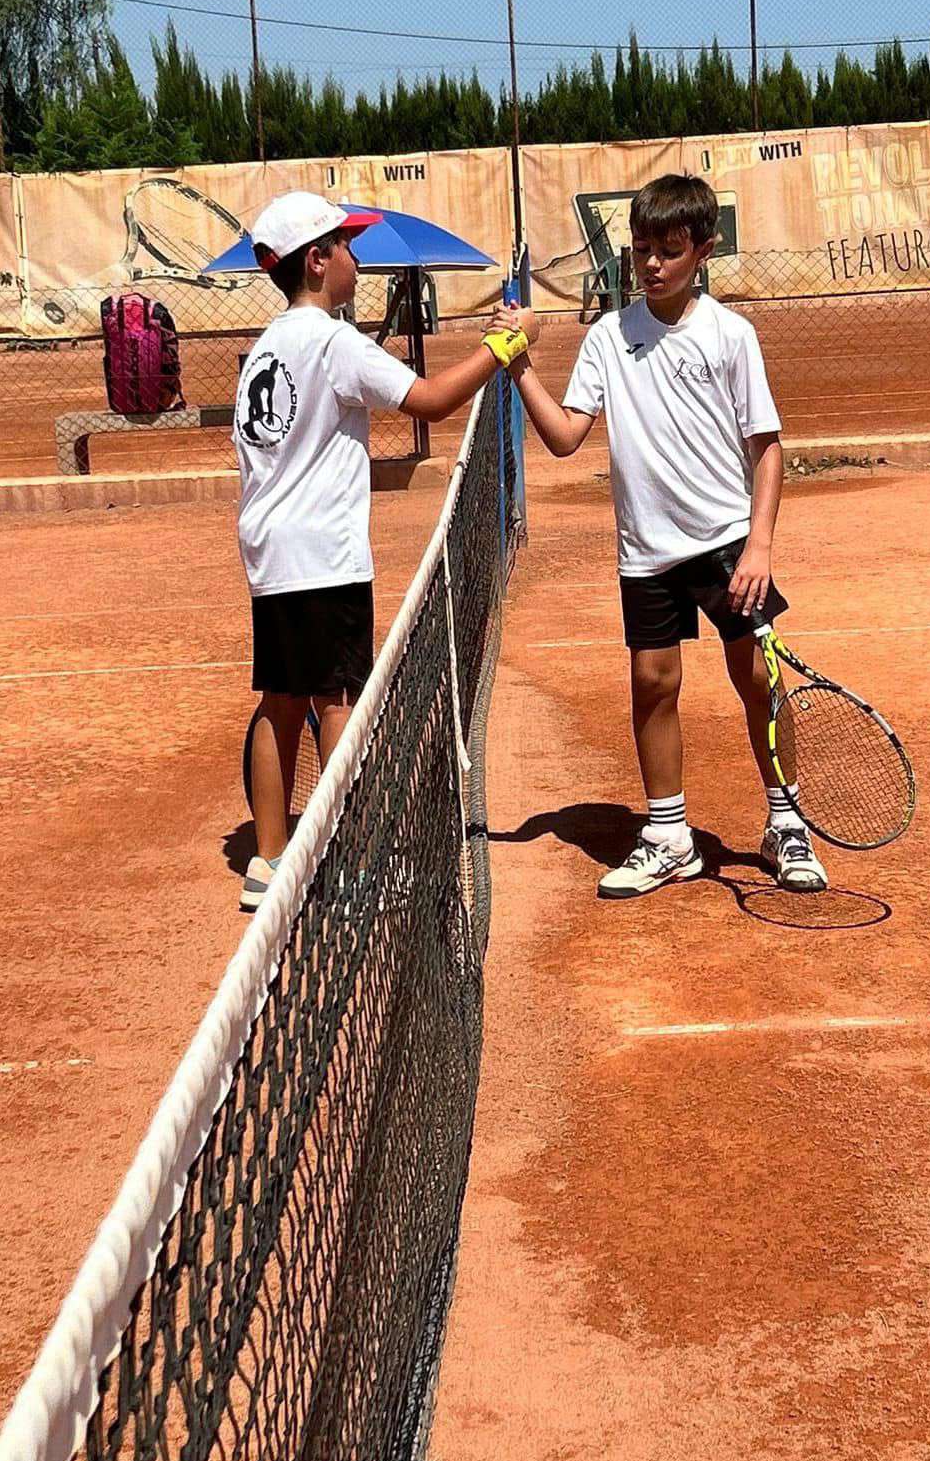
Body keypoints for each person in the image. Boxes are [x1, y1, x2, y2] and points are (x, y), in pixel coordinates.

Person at [494, 173, 827, 899]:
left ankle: (786, 821)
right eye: (641, 249)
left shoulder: (731, 335)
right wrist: (516, 365)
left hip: (727, 543)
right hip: (646, 550)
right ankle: (670, 835)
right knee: (653, 683)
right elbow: (563, 438)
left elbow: (765, 448)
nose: (650, 264)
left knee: (760, 680)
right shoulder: (608, 339)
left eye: (668, 251)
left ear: (702, 251)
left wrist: (760, 545)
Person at [235, 192, 524, 911]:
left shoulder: (265, 347)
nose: (357, 260)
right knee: (336, 700)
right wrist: (501, 348)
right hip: (325, 556)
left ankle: (268, 864)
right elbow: (427, 400)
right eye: (347, 247)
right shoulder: (333, 343)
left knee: (279, 700)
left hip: (271, 551)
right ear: (318, 259)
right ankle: (350, 863)